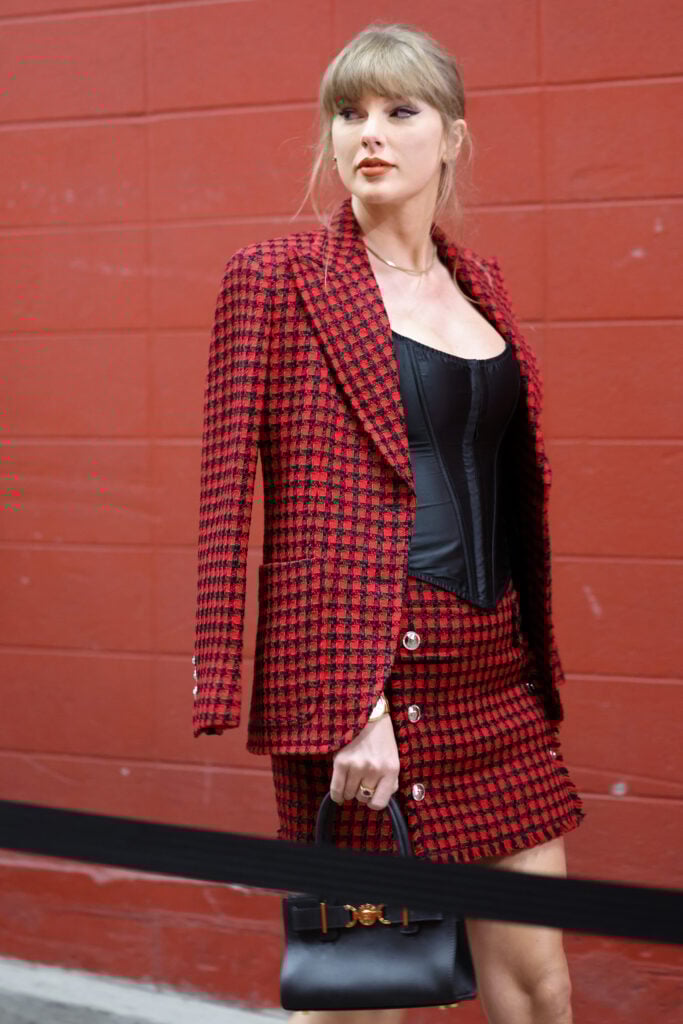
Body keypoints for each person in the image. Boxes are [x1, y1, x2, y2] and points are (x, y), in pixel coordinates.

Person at [192, 21, 585, 1024]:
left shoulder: (482, 285)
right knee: (362, 999)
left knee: (537, 986)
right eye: (348, 111)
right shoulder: (275, 278)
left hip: (494, 684)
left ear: (449, 136)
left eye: (398, 111)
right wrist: (347, 706)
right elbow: (231, 496)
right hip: (370, 696)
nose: (368, 132)